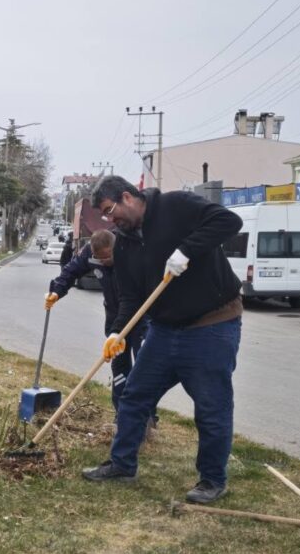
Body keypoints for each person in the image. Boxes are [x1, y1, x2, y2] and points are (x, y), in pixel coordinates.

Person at [80, 175, 243, 506]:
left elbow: (229, 221)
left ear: (128, 196)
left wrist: (187, 250)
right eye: (105, 216)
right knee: (134, 396)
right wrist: (117, 332)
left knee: (212, 407)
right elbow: (130, 298)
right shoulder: (123, 244)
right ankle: (122, 464)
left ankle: (212, 480)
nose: (110, 220)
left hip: (212, 324)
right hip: (164, 330)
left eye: (111, 210)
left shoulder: (176, 206)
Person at [44, 229, 154, 428]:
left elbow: (135, 298)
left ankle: (147, 415)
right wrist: (56, 291)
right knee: (119, 365)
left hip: (140, 316)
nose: (104, 262)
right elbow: (70, 270)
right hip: (113, 316)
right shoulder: (90, 253)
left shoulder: (130, 253)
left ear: (116, 248)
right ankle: (121, 413)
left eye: (108, 257)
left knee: (143, 366)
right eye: (99, 259)